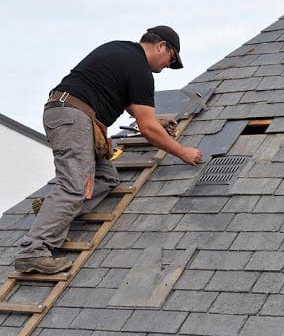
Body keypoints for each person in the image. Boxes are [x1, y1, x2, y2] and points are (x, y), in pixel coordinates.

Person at [15, 25, 203, 274]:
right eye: (171, 59)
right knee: (75, 186)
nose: (168, 66)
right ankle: (34, 250)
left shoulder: (122, 51)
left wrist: (157, 120)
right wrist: (182, 152)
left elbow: (136, 110)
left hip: (70, 113)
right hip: (74, 117)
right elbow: (146, 128)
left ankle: (51, 210)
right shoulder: (140, 69)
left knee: (106, 178)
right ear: (161, 46)